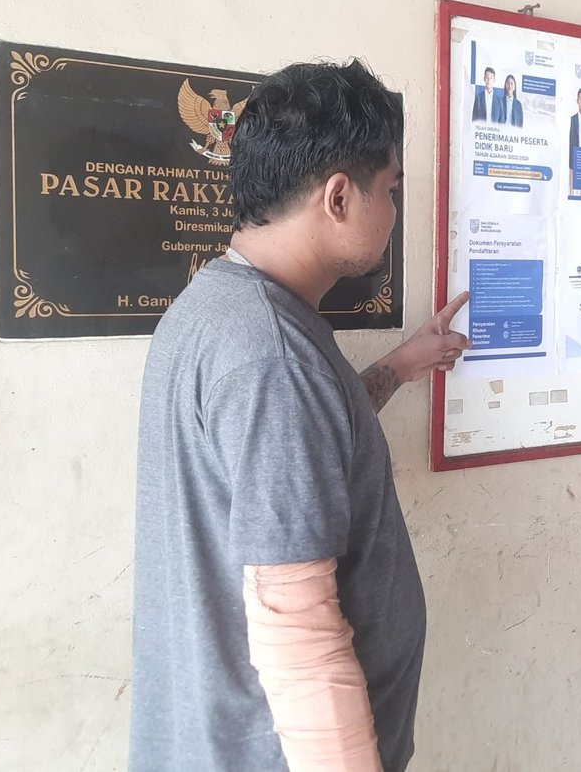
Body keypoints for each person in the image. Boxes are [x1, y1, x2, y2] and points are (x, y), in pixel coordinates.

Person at [131, 60, 471, 772]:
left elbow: (306, 445)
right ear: (339, 197)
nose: (394, 210)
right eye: (392, 189)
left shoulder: (218, 309)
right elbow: (297, 628)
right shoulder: (273, 357)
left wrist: (401, 365)